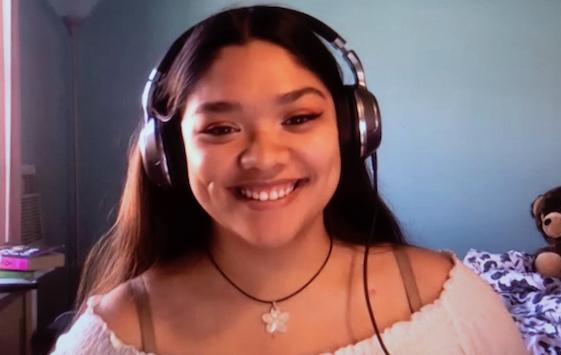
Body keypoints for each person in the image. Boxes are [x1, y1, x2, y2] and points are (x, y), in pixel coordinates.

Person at [52, 5, 527, 355]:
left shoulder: (451, 305)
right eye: (220, 129)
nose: (263, 158)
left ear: (351, 129)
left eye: (298, 118)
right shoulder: (113, 336)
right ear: (170, 154)